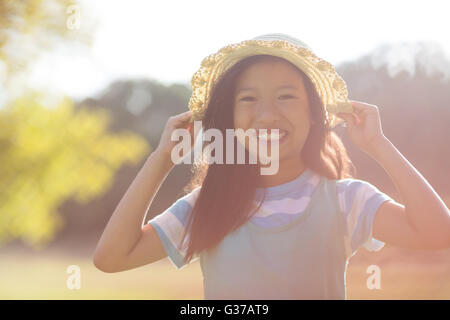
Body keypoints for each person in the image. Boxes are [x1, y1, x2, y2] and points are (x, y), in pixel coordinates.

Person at [93, 33, 450, 300]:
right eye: (248, 99)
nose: (267, 115)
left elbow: (438, 233)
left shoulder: (346, 199)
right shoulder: (206, 206)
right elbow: (111, 258)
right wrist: (160, 160)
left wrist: (379, 146)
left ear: (314, 114)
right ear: (229, 119)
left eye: (286, 96)